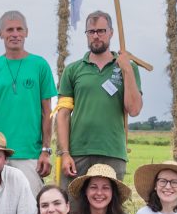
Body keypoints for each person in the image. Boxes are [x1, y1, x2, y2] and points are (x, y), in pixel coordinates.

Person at [56, 11, 143, 191]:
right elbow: (63, 115)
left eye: (101, 31)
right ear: (87, 34)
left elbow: (133, 109)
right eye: (91, 32)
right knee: (72, 209)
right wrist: (64, 153)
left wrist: (126, 70)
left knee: (110, 213)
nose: (96, 36)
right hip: (77, 152)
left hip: (112, 152)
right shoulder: (73, 70)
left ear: (111, 32)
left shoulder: (128, 67)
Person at [0, 10, 57, 193]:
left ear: (27, 32)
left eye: (19, 29)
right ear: (0, 34)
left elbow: (47, 112)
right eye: (9, 29)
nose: (15, 34)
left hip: (28, 153)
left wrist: (46, 150)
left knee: (30, 210)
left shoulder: (40, 66)